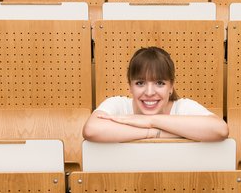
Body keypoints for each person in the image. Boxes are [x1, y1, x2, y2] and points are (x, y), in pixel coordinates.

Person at [83, 47, 229, 142]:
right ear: (130, 86)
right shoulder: (117, 104)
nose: (149, 93)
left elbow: (220, 130)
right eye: (140, 83)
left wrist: (151, 120)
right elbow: (91, 130)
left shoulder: (183, 107)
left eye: (159, 83)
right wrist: (153, 133)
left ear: (171, 86)